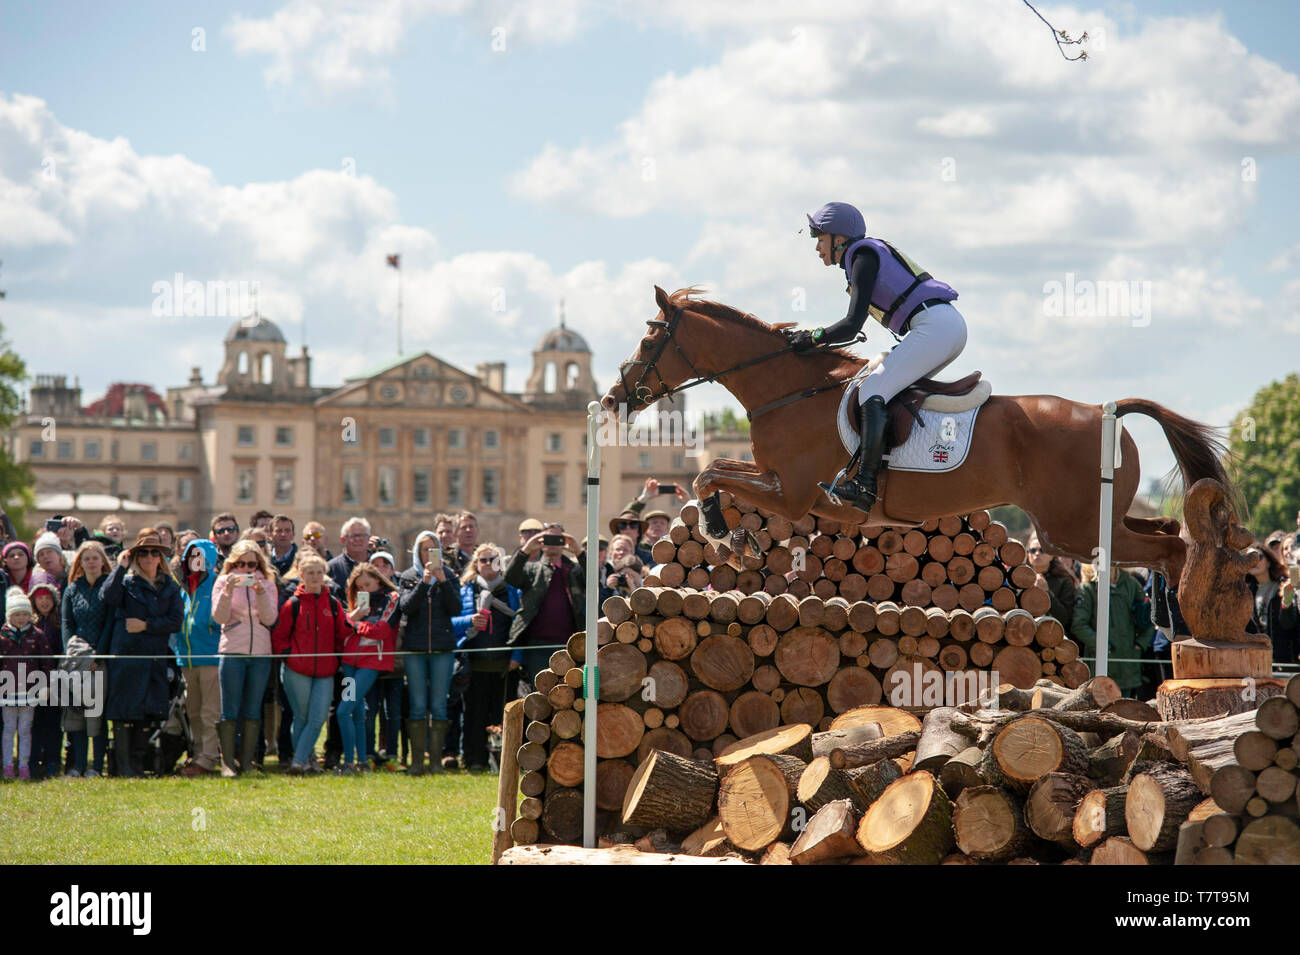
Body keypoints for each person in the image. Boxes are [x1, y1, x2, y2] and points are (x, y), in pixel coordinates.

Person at [785, 201, 965, 510]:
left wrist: (813, 336)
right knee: (886, 387)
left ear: (839, 238)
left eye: (820, 238)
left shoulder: (863, 256)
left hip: (934, 327)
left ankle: (864, 485)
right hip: (940, 326)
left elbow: (852, 323)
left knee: (872, 390)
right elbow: (851, 328)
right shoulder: (863, 257)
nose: (817, 248)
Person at [101, 528, 184, 777]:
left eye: (154, 553)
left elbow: (175, 621)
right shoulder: (126, 582)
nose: (149, 557)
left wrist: (146, 625)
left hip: (154, 656)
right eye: (144, 552)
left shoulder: (170, 586)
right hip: (127, 657)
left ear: (161, 557)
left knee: (149, 713)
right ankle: (124, 767)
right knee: (124, 712)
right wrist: (120, 567)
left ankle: (138, 765)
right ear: (136, 556)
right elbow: (108, 597)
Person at [271, 553, 350, 774]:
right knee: (302, 716)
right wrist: (290, 656)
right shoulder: (292, 604)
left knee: (317, 717)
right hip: (297, 670)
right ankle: (306, 761)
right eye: (310, 573)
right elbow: (280, 637)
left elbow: (341, 632)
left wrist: (355, 619)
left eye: (318, 572)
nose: (315, 577)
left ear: (324, 575)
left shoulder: (334, 603)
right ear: (301, 575)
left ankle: (298, 761)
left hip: (325, 671)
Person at [210, 540, 279, 776]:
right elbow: (219, 617)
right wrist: (228, 591)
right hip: (231, 651)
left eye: (251, 563)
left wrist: (260, 592)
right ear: (233, 563)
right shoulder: (221, 581)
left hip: (260, 652)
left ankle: (248, 762)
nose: (246, 569)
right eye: (240, 563)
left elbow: (270, 619)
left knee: (253, 709)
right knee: (229, 709)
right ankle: (228, 763)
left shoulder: (268, 583)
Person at [453, 543, 522, 771]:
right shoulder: (464, 589)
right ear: (476, 564)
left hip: (505, 665)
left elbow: (522, 626)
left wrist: (518, 656)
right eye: (483, 560)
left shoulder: (512, 591)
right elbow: (450, 623)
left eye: (493, 559)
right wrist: (469, 621)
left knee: (504, 717)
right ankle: (474, 760)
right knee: (474, 715)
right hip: (473, 664)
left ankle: (505, 762)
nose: (488, 564)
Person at [397, 530, 461, 774]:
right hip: (415, 649)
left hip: (442, 648)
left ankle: (435, 762)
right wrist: (424, 583)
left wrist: (443, 581)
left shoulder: (450, 575)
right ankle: (416, 763)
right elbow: (406, 607)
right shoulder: (408, 576)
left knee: (439, 705)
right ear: (417, 552)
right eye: (424, 549)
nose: (428, 554)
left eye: (433, 549)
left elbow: (455, 608)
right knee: (416, 704)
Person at [337, 563, 400, 773]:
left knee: (343, 711)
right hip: (349, 663)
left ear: (378, 580)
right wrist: (352, 617)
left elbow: (381, 631)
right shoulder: (356, 604)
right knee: (355, 711)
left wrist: (354, 624)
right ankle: (361, 761)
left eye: (367, 584)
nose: (364, 590)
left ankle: (349, 761)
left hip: (371, 663)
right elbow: (341, 632)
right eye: (359, 587)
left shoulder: (391, 598)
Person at [504, 523, 585, 683]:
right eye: (549, 538)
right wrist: (526, 549)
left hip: (570, 644)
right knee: (539, 694)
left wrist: (578, 551)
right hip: (537, 645)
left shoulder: (574, 569)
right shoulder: (532, 569)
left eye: (558, 538)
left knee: (569, 693)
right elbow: (510, 577)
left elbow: (593, 579)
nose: (553, 543)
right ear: (541, 541)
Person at [61, 541, 113, 777]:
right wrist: (72, 653)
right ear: (79, 563)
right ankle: (79, 765)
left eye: (95, 557)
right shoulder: (72, 589)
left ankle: (97, 766)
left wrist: (97, 656)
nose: (91, 562)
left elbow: (111, 624)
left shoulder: (109, 587)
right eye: (86, 558)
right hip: (76, 661)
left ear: (103, 561)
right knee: (77, 714)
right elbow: (66, 624)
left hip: (100, 660)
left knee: (97, 715)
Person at [172, 539, 223, 776]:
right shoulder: (183, 587)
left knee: (210, 712)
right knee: (193, 711)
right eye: (191, 555)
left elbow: (219, 618)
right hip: (187, 659)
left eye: (201, 556)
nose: (196, 560)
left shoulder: (216, 585)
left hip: (210, 657)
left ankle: (208, 759)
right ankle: (199, 755)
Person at [1070, 562, 1154, 699]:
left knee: (1127, 709)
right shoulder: (1088, 588)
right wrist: (1102, 646)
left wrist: (1140, 644)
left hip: (1128, 663)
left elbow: (1149, 615)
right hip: (1099, 666)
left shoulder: (1131, 584)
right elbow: (1079, 625)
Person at [1, 589, 41, 778]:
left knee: (25, 729)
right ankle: (8, 764)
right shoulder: (2, 635)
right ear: (10, 615)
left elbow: (46, 662)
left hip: (30, 690)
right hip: (7, 691)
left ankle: (24, 765)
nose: (21, 618)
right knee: (8, 729)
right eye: (17, 614)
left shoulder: (38, 635)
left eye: (25, 614)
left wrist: (46, 685)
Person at [28, 581, 64, 779]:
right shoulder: (29, 623)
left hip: (55, 680)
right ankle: (33, 761)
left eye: (47, 598)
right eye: (40, 598)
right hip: (33, 680)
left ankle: (53, 761)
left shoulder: (58, 622)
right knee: (35, 723)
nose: (44, 602)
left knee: (53, 723)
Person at [1247, 544, 1299, 666]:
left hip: (1285, 661)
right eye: (1249, 558)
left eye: (1258, 557)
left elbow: (1289, 623)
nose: (1254, 562)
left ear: (1269, 562)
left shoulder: (1283, 587)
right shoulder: (1246, 594)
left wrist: (1286, 600)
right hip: (1259, 662)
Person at [1027, 534, 1076, 630]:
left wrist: (1047, 592)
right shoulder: (1019, 579)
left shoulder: (1064, 581)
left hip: (1053, 634)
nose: (1037, 554)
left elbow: (1064, 618)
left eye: (1042, 550)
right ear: (1028, 554)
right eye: (1032, 550)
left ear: (1052, 556)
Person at [328, 517, 372, 598]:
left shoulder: (378, 565)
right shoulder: (331, 568)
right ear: (343, 539)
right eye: (353, 536)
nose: (358, 539)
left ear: (369, 538)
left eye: (362, 535)